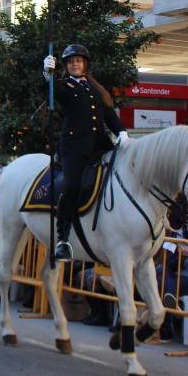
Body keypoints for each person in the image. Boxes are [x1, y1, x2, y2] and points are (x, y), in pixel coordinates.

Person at [42, 44, 128, 261]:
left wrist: (122, 133)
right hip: (74, 147)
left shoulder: (96, 88)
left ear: (85, 64)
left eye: (78, 61)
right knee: (72, 184)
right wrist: (47, 74)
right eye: (71, 62)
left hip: (100, 144)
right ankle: (63, 238)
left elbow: (109, 114)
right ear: (67, 66)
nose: (75, 64)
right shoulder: (63, 86)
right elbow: (53, 92)